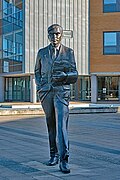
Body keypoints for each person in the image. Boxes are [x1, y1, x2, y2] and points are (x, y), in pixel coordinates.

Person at [34, 24, 78, 173]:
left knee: (61, 126)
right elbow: (37, 71)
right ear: (48, 36)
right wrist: (40, 86)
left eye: (57, 34)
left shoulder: (69, 52)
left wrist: (65, 76)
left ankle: (64, 159)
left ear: (61, 35)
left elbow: (75, 74)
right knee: (51, 125)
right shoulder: (42, 53)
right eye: (52, 34)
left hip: (61, 93)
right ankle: (53, 155)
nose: (55, 37)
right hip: (46, 93)